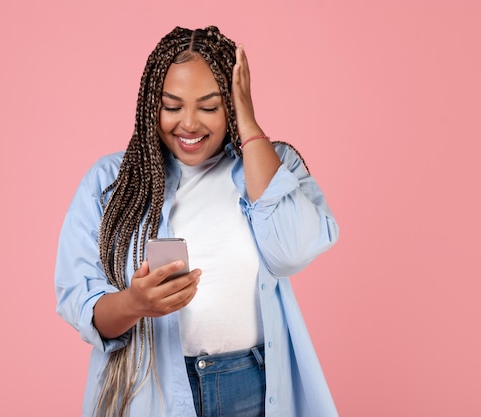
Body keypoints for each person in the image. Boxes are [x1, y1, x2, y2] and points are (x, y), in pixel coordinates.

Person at [55, 26, 340, 417]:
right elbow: (80, 304)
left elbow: (290, 252)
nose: (188, 123)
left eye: (209, 107)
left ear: (232, 105)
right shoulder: (111, 183)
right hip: (151, 391)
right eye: (172, 107)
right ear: (151, 106)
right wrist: (135, 303)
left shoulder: (273, 167)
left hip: (253, 386)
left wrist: (251, 127)